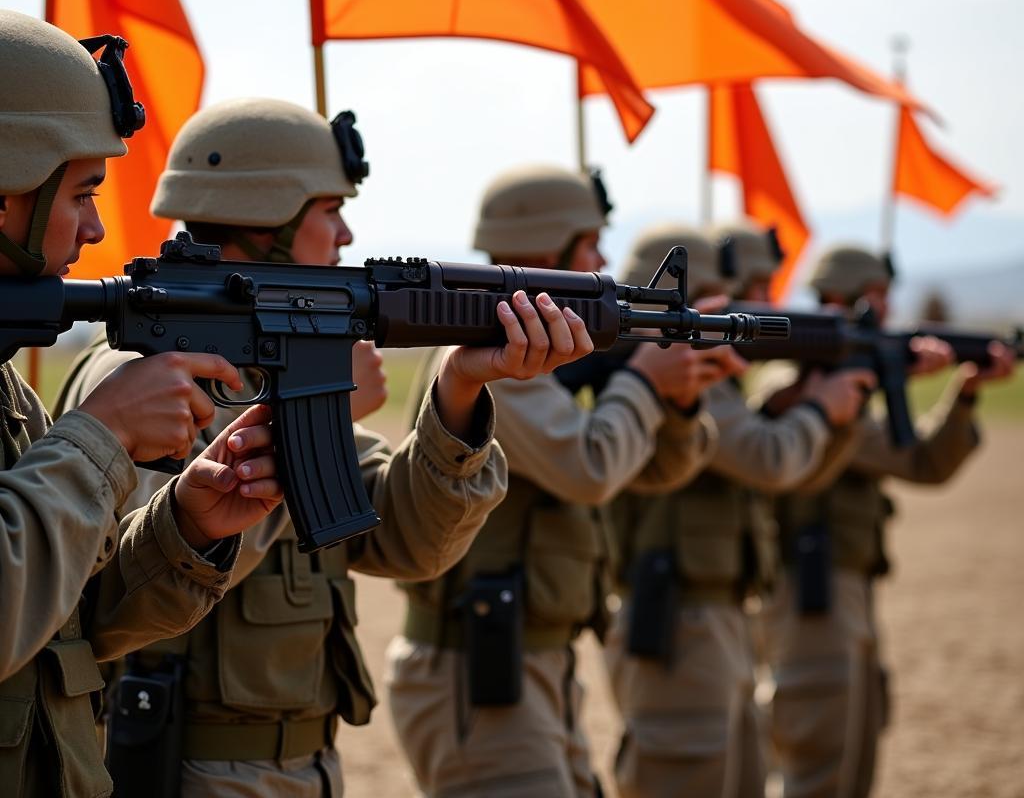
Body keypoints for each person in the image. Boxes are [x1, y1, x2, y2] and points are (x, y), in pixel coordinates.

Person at [55, 98, 593, 797]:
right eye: (329, 209)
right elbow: (135, 579)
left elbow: (405, 543)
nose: (346, 233)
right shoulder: (140, 369)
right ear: (269, 214)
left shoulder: (280, 367)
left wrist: (461, 389)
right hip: (182, 760)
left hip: (303, 761)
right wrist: (307, 419)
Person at [0, 10, 284, 796]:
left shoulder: (6, 391)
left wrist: (184, 529)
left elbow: (66, 630)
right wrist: (102, 433)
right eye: (82, 192)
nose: (95, 228)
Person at [386, 166, 738, 798]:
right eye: (591, 243)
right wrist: (644, 383)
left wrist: (678, 403)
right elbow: (592, 469)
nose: (604, 259)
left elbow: (652, 472)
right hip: (484, 670)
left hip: (531, 661)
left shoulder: (532, 353)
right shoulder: (490, 355)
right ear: (550, 250)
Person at [605, 223, 873, 798]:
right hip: (675, 618)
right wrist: (822, 412)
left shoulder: (696, 380)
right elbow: (769, 460)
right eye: (722, 299)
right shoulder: (664, 377)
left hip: (715, 616)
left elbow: (789, 478)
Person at [760, 244, 1016, 798]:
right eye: (872, 297)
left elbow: (922, 462)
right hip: (811, 588)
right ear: (838, 300)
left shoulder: (836, 382)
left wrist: (964, 391)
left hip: (845, 582)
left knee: (856, 739)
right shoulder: (801, 388)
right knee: (820, 750)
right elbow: (912, 460)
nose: (884, 306)